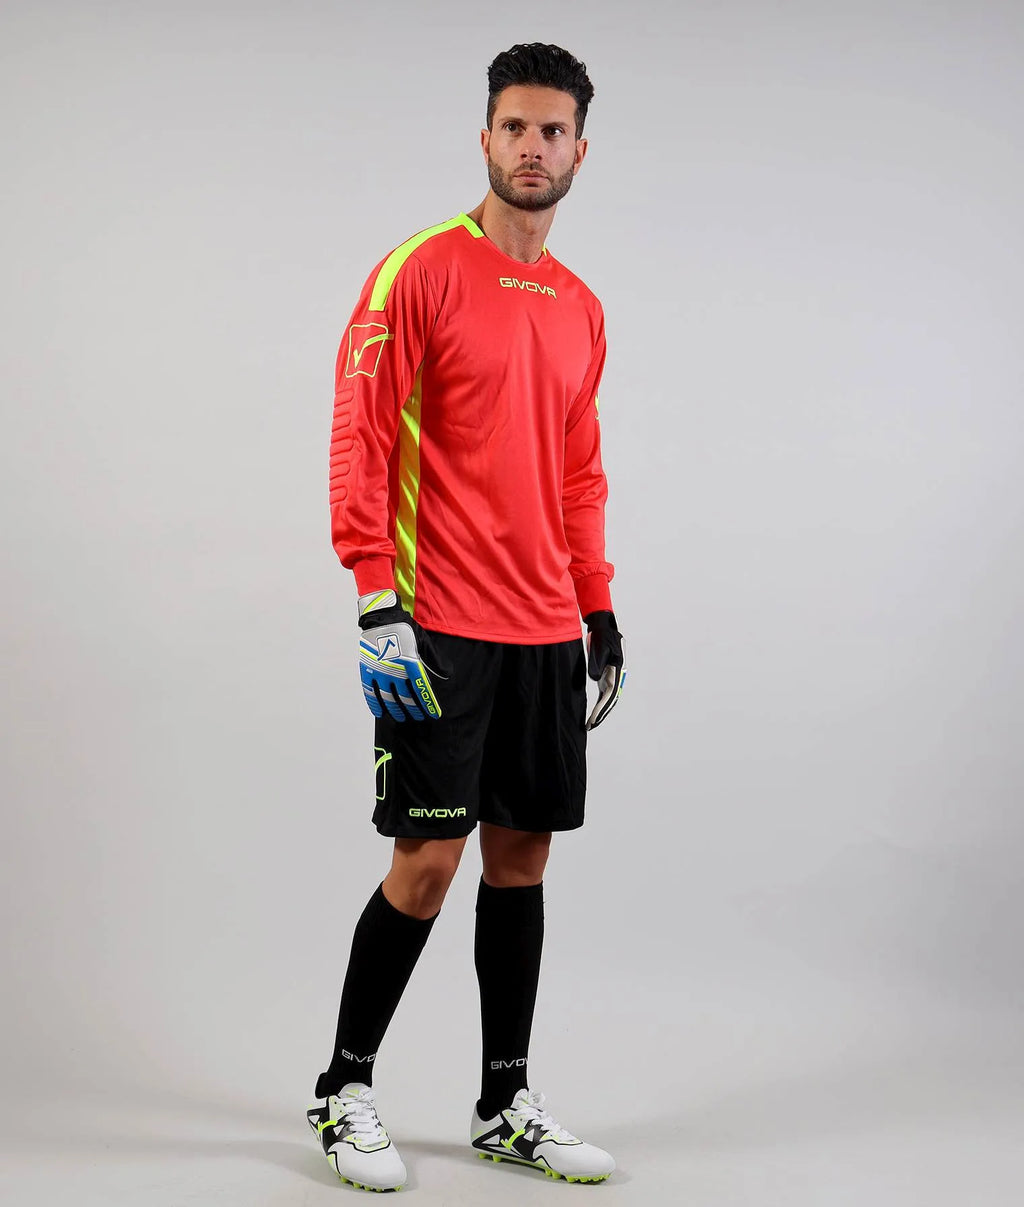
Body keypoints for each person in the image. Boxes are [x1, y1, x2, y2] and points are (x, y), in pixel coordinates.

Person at [305, 42, 627, 1192]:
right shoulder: (420, 272)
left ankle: (503, 1103)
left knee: (521, 860)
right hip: (435, 620)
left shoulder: (581, 307)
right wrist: (374, 594)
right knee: (428, 860)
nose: (533, 148)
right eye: (515, 127)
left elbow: (578, 471)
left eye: (553, 131)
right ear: (484, 138)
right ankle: (342, 1088)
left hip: (542, 628)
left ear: (580, 149)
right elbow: (360, 431)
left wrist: (596, 605)